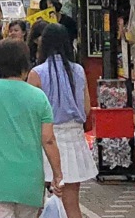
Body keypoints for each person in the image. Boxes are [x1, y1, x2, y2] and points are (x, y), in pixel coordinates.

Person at [0, 39, 62, 218]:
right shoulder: (39, 97)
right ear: (25, 64)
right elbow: (48, 140)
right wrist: (57, 175)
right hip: (29, 183)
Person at [29, 24, 96, 218]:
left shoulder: (37, 73)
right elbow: (86, 108)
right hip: (74, 139)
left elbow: (30, 112)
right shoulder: (78, 70)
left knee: (38, 205)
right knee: (72, 205)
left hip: (46, 141)